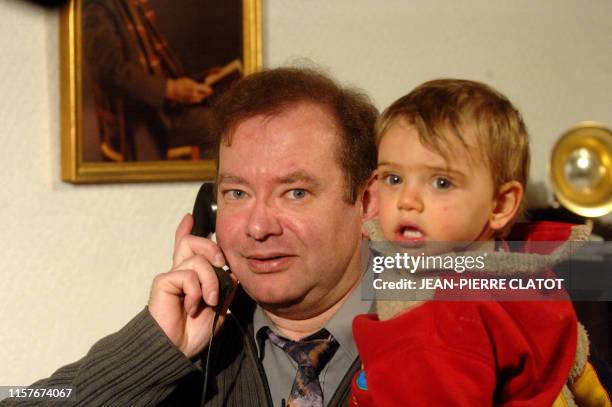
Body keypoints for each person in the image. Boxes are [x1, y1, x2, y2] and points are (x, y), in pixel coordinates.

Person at [0, 67, 378, 406]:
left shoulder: (431, 327)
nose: (258, 227)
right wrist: (155, 352)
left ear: (366, 202)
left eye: (295, 192)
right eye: (237, 193)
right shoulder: (192, 337)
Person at [349, 79, 610, 406]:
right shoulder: (527, 272)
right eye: (393, 178)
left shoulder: (445, 318)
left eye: (441, 182)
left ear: (499, 205)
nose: (406, 200)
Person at [83, 0, 238, 161]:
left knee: (231, 120)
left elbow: (160, 74)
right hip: (143, 121)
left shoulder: (135, 7)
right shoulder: (97, 6)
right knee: (229, 127)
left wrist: (202, 79)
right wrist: (172, 90)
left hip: (165, 110)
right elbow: (112, 73)